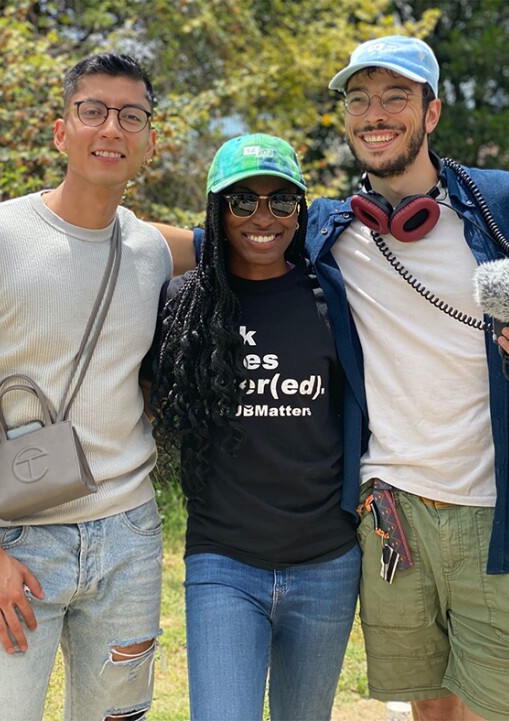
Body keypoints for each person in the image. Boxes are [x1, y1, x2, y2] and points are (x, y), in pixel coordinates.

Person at [303, 36, 509, 721]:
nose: (375, 113)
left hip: (496, 515)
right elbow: (217, 236)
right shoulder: (328, 230)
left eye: (396, 97)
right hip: (391, 517)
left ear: (432, 112)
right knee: (432, 713)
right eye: (359, 99)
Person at [0, 52, 176, 721]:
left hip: (129, 539)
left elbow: (244, 236)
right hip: (14, 539)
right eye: (92, 110)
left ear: (148, 139)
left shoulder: (148, 249)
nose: (111, 127)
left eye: (131, 115)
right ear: (62, 131)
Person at [150, 134, 361, 721]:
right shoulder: (183, 305)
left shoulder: (335, 299)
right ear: (216, 211)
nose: (262, 217)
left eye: (280, 202)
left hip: (327, 563)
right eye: (241, 201)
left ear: (301, 209)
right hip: (224, 562)